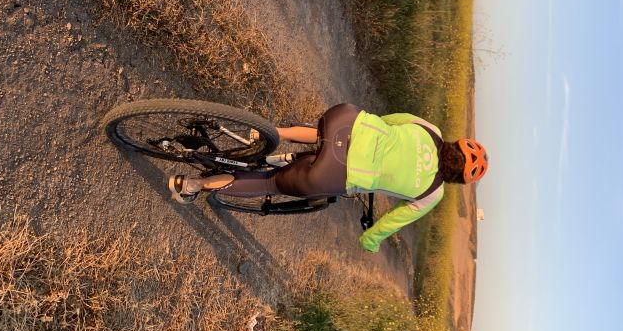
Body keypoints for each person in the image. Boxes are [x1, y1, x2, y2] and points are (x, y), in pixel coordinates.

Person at [167, 103, 488, 252]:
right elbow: (392, 222)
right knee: (270, 183)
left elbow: (390, 121)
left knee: (325, 135)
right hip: (334, 172)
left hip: (345, 119)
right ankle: (192, 185)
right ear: (458, 178)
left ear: (456, 143)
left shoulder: (430, 130)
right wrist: (370, 241)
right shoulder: (432, 193)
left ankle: (269, 134)